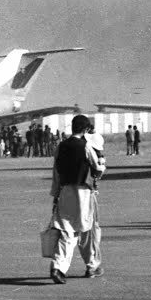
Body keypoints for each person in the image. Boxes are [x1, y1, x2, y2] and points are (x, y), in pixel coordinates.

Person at [47, 114, 106, 284]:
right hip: (84, 193)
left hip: (65, 192)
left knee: (67, 230)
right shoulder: (86, 146)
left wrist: (56, 195)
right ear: (86, 129)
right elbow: (96, 167)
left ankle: (58, 267)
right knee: (87, 230)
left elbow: (56, 173)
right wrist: (102, 166)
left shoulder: (60, 146)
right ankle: (91, 265)